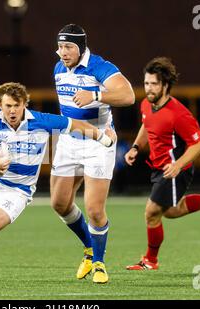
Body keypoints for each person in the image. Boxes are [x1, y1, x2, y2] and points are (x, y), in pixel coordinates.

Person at [0, 82, 116, 288]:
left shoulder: (42, 121)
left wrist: (104, 139)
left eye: (17, 105)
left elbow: (76, 125)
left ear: (25, 104)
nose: (12, 111)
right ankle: (89, 244)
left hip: (17, 192)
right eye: (8, 106)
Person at [124, 57, 200, 271]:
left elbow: (199, 144)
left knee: (152, 212)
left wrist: (178, 165)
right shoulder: (146, 104)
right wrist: (136, 147)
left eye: (154, 84)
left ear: (165, 85)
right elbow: (146, 125)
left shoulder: (178, 113)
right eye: (146, 83)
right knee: (172, 211)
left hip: (175, 169)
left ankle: (150, 261)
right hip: (158, 167)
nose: (149, 88)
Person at [50, 23, 135, 284]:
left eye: (69, 47)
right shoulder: (58, 68)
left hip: (98, 142)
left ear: (81, 47)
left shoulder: (99, 66)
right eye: (60, 46)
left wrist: (96, 94)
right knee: (59, 203)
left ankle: (99, 262)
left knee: (94, 210)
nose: (63, 52)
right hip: (67, 140)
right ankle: (89, 248)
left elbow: (128, 95)